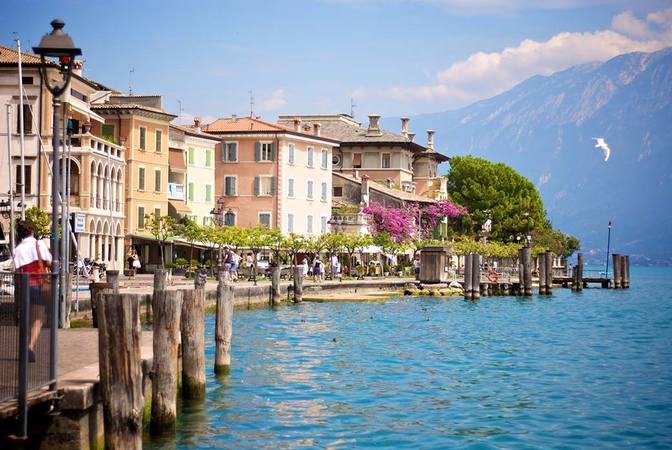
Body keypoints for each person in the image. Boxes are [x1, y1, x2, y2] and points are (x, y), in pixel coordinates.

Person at [14, 221, 51, 363]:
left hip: (24, 286)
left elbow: (17, 270)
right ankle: (30, 346)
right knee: (38, 318)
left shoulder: (18, 249)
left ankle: (24, 346)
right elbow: (48, 261)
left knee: (26, 318)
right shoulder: (39, 244)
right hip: (38, 284)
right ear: (32, 232)